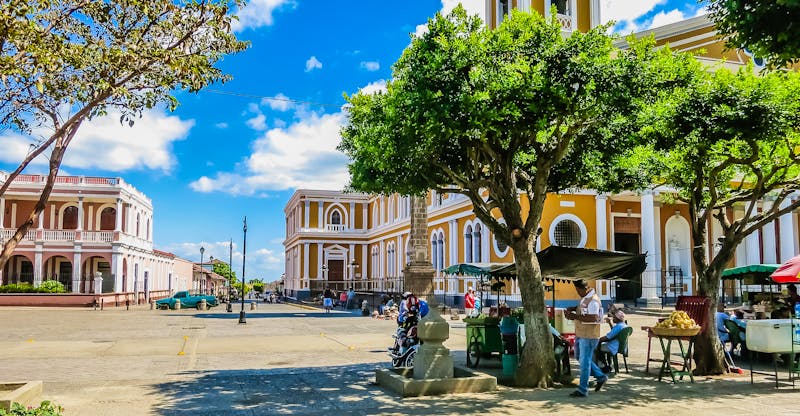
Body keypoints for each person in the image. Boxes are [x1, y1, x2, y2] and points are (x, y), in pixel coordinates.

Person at [564, 279, 607, 397]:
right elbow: (583, 309)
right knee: (580, 358)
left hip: (589, 336)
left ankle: (583, 390)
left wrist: (574, 316)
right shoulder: (586, 298)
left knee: (584, 363)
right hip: (581, 334)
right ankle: (601, 376)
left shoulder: (593, 301)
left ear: (585, 289)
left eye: (578, 290)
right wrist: (573, 309)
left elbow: (593, 317)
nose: (577, 293)